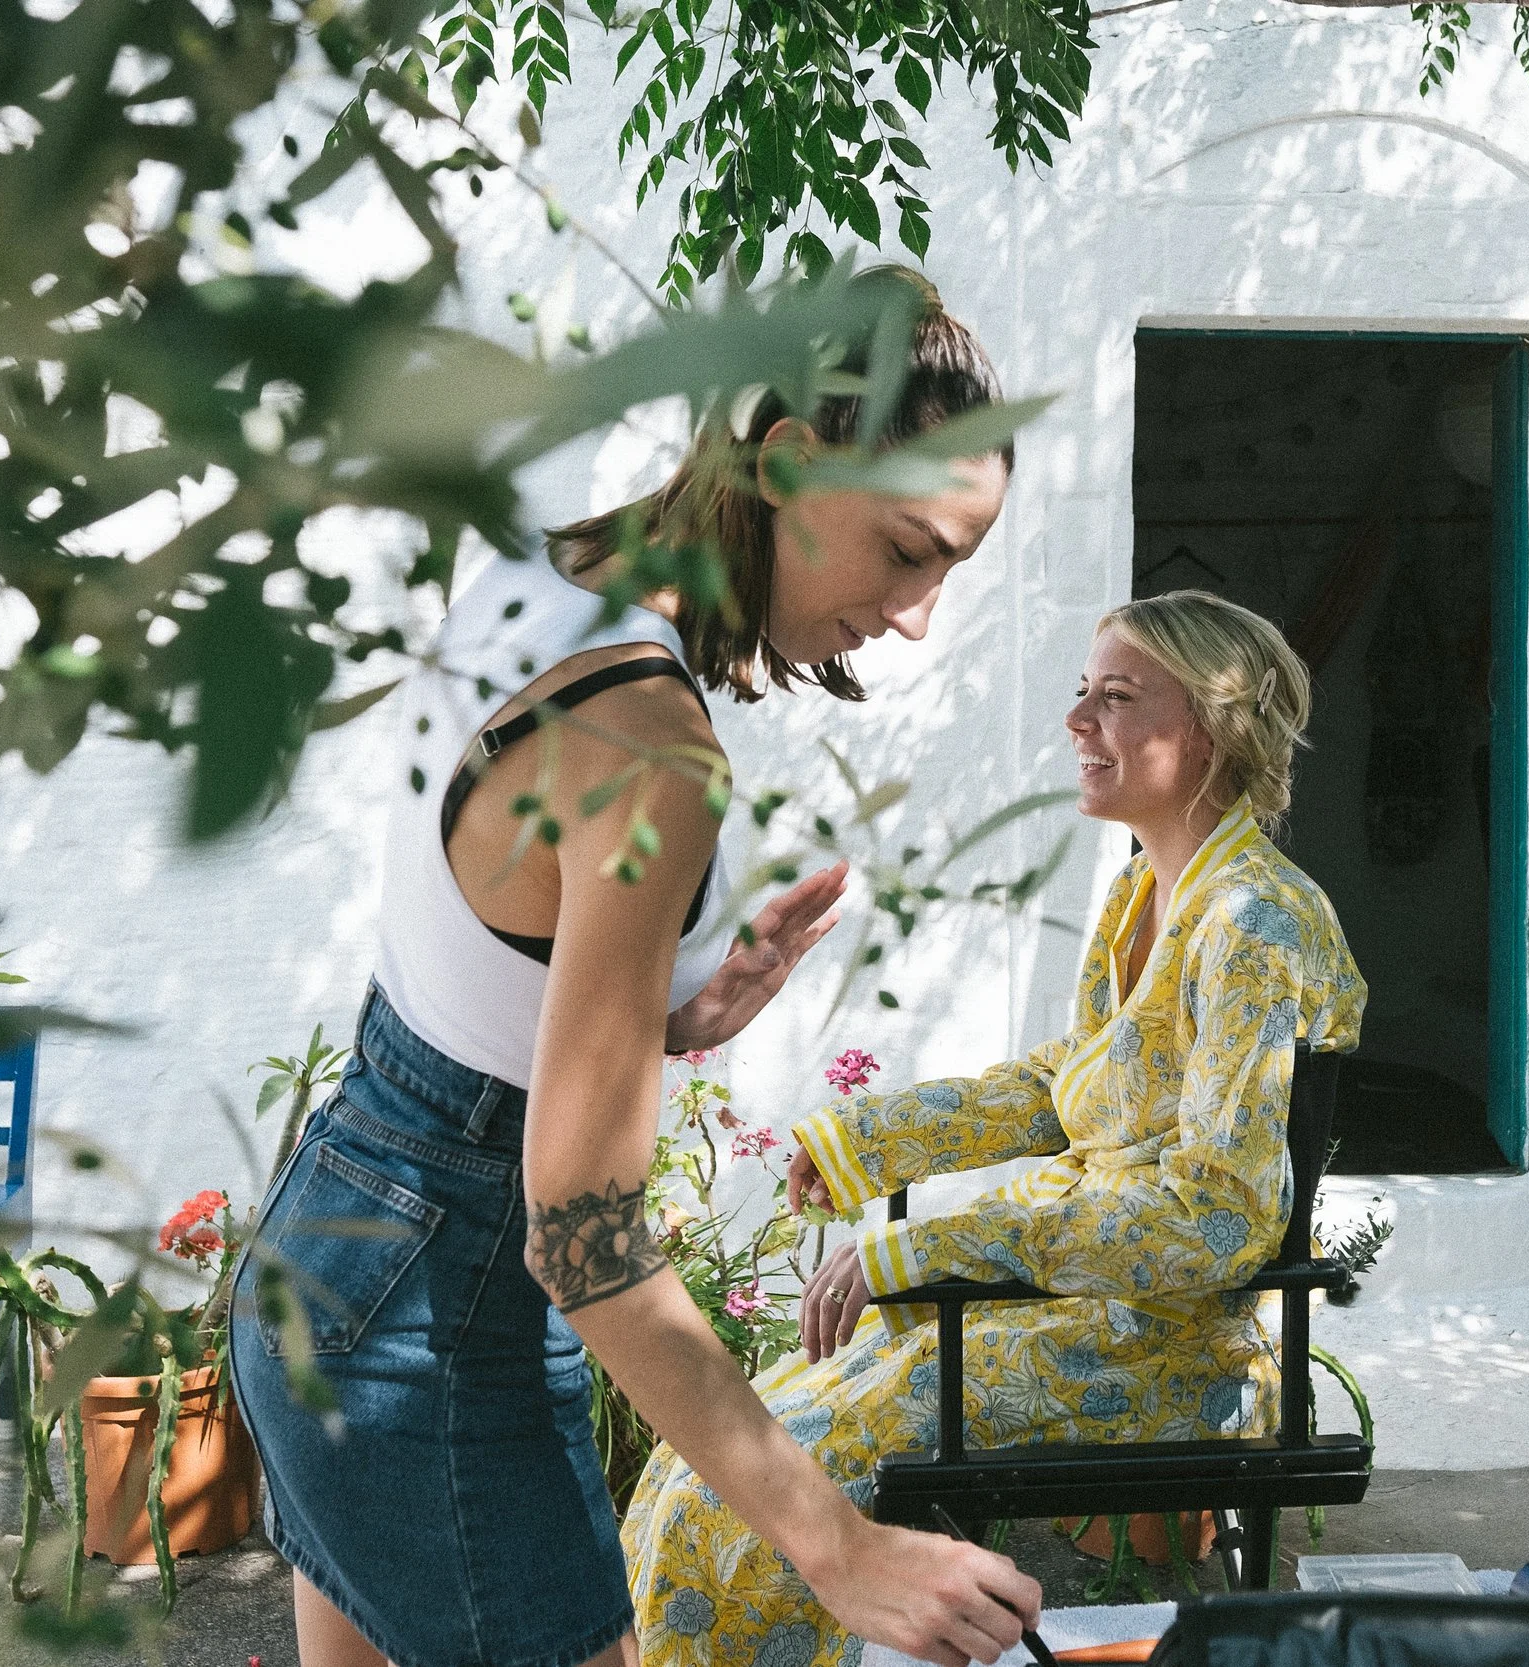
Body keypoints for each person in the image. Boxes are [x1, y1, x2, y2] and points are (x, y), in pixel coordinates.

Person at [225, 270, 1045, 1667]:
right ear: (788, 461)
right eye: (909, 551)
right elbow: (583, 1232)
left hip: (343, 1242)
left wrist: (675, 1011)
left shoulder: (550, 575)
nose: (918, 616)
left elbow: (478, 924)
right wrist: (838, 1542)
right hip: (437, 1321)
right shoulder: (657, 749)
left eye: (949, 570)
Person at [622, 590, 1367, 1666]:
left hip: (1159, 1345)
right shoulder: (1145, 894)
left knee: (741, 1513)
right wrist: (859, 1141)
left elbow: (1220, 1215)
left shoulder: (1252, 924)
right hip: (1071, 1312)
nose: (1077, 722)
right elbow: (1071, 1084)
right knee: (712, 1458)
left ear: (1211, 726)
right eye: (1081, 693)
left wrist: (920, 1247)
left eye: (1116, 697)